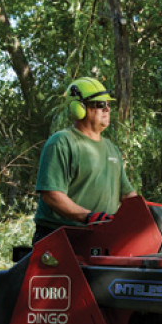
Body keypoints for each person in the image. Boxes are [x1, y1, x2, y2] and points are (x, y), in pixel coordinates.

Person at [33, 77, 137, 243]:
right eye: (100, 104)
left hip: (99, 237)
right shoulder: (62, 142)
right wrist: (89, 217)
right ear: (79, 108)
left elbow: (127, 194)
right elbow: (51, 195)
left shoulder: (111, 148)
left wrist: (147, 213)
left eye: (109, 104)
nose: (107, 109)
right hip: (60, 237)